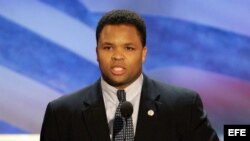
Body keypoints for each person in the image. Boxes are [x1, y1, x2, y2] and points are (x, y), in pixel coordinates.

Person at [40, 9, 219, 141]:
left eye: (129, 48)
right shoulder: (62, 113)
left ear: (143, 53)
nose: (117, 56)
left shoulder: (183, 106)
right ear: (97, 52)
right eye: (108, 47)